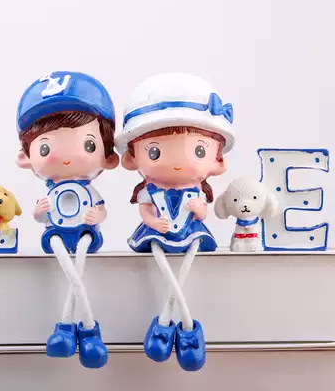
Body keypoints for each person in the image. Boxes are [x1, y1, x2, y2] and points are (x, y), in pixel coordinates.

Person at [115, 72, 235, 371]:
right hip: (158, 233)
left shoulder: (196, 191)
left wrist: (199, 208)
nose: (178, 162)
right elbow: (145, 212)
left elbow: (203, 214)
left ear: (218, 161)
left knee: (187, 263)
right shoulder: (149, 192)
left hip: (190, 233)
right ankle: (174, 325)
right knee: (161, 258)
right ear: (132, 158)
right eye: (155, 151)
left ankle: (177, 327)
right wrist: (154, 224)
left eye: (198, 150)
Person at [16, 71, 118, 369]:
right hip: (56, 234)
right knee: (74, 274)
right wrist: (40, 211)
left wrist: (96, 215)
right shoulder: (51, 192)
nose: (68, 157)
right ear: (25, 157)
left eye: (89, 145)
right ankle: (82, 331)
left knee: (78, 269)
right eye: (45, 147)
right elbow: (39, 217)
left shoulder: (90, 191)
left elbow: (102, 210)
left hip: (86, 233)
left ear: (109, 157)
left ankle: (76, 329)